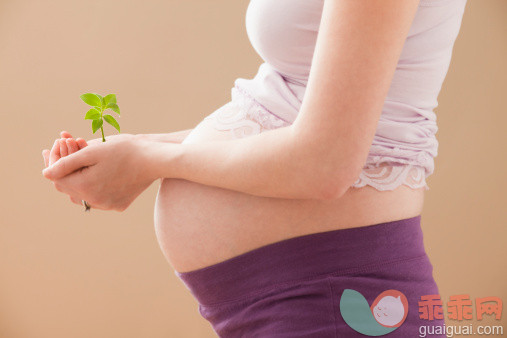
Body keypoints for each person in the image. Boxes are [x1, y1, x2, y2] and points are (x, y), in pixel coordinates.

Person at [42, 0, 467, 336]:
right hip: (294, 302)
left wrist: (148, 160)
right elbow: (293, 114)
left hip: (334, 302)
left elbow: (324, 163)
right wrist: (136, 149)